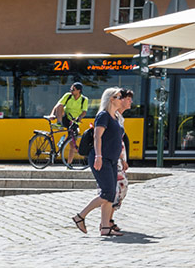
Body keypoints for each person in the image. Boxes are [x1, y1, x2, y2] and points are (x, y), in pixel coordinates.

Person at [72, 88, 133, 237]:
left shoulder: (115, 117)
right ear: (111, 99)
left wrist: (121, 158)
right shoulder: (103, 116)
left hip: (112, 160)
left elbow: (117, 140)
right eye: (119, 97)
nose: (121, 99)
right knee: (106, 193)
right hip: (102, 159)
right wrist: (98, 156)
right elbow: (97, 137)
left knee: (111, 194)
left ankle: (105, 228)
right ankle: (80, 216)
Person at [49, 82, 91, 163]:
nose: (71, 91)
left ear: (79, 90)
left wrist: (79, 118)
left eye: (73, 89)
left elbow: (84, 112)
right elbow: (58, 105)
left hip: (74, 121)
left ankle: (69, 164)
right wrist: (52, 114)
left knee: (72, 144)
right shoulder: (68, 96)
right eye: (71, 89)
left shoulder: (84, 99)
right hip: (65, 118)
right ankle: (59, 123)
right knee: (60, 105)